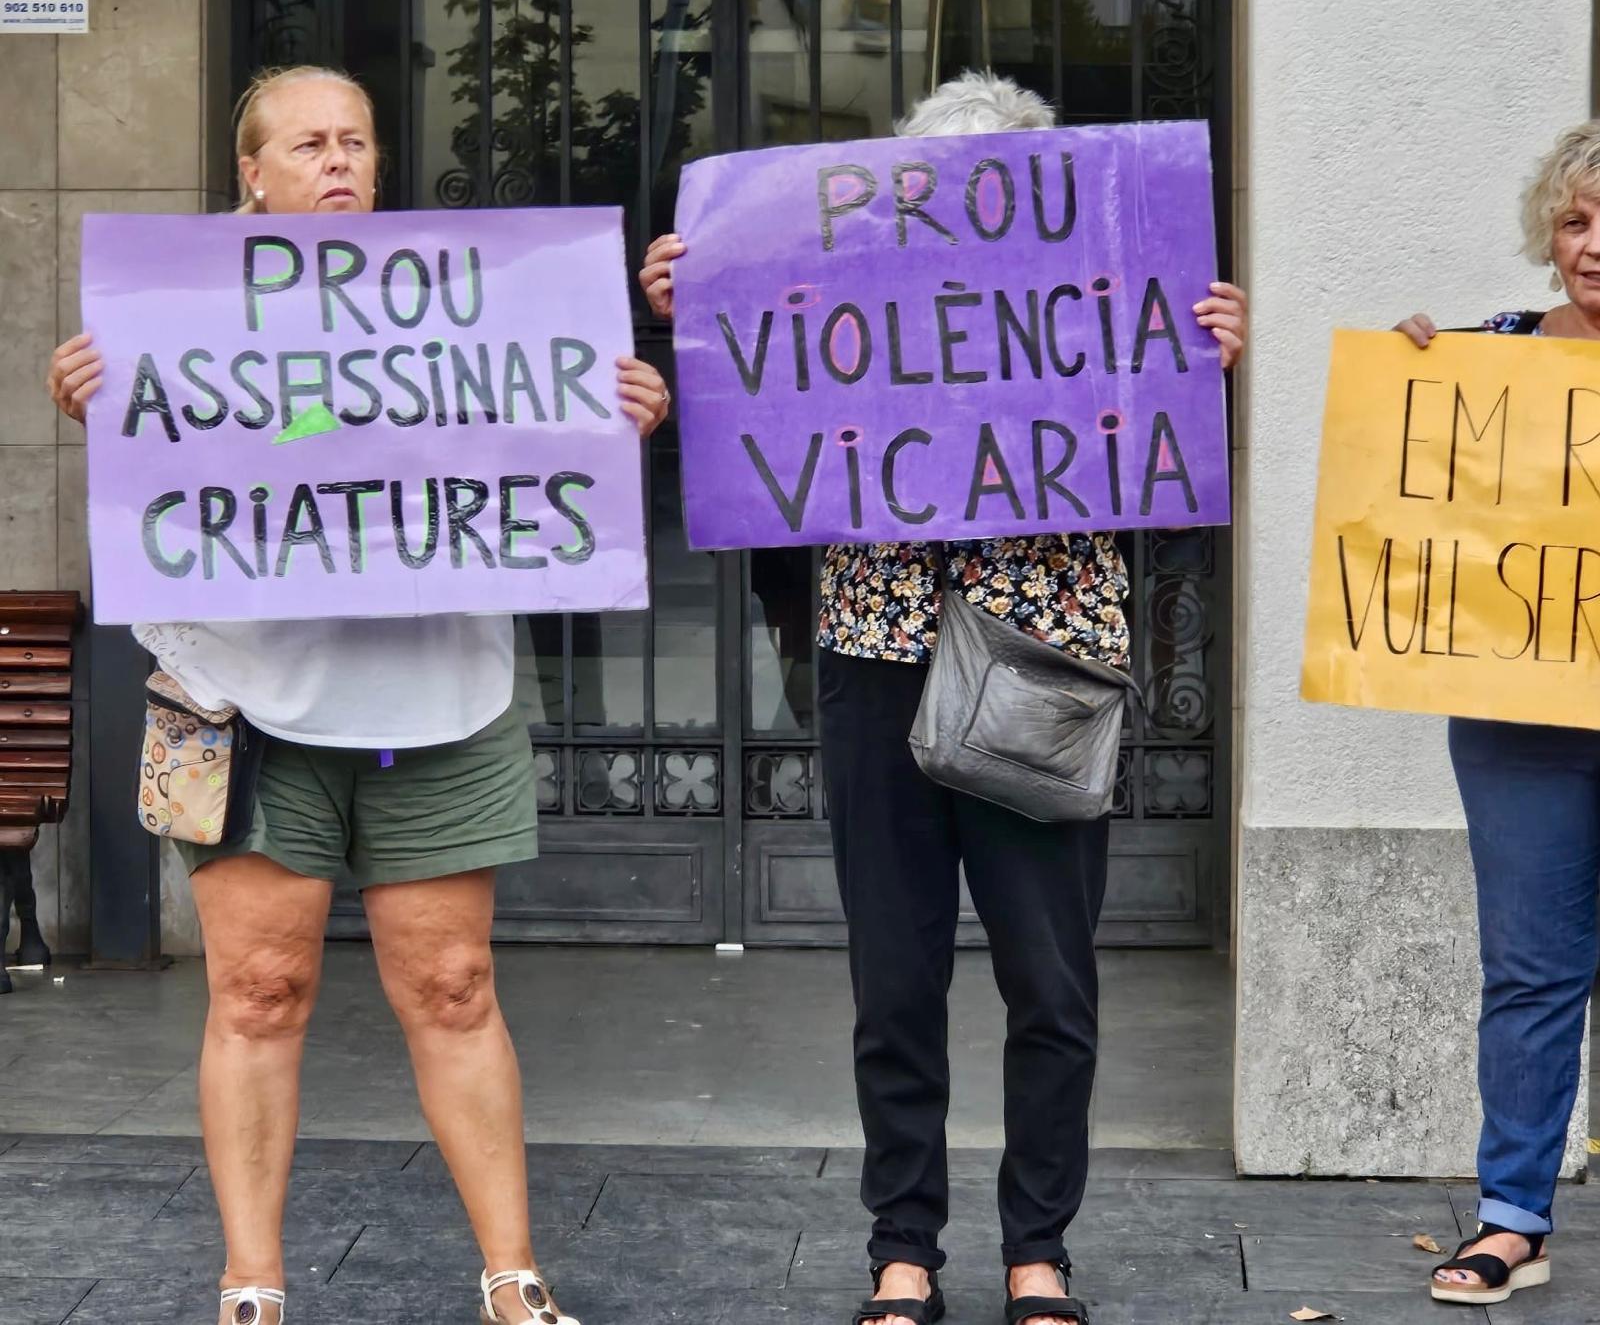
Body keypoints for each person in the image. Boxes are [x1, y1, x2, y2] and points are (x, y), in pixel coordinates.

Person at [46, 64, 671, 1325]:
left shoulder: (477, 296)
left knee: (453, 986)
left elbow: (531, 450)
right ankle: (252, 1285)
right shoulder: (170, 310)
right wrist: (98, 402)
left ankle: (511, 1274)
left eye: (358, 143)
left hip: (441, 698)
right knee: (257, 992)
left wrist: (617, 423)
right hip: (243, 701)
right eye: (310, 144)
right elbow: (178, 459)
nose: (338, 162)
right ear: (253, 173)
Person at [640, 71, 1248, 1325]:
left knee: (1051, 979)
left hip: (1043, 663)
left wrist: (1204, 355)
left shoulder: (1096, 295)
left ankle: (1040, 1254)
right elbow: (755, 380)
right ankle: (901, 1249)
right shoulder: (850, 287)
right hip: (876, 658)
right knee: (896, 977)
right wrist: (695, 303)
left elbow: (1161, 437)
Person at [1395, 119, 1600, 1309]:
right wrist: (1412, 370)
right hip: (1523, 721)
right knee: (1529, 970)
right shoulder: (1496, 357)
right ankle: (1513, 1216)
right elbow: (1413, 474)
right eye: (1573, 221)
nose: (1593, 244)